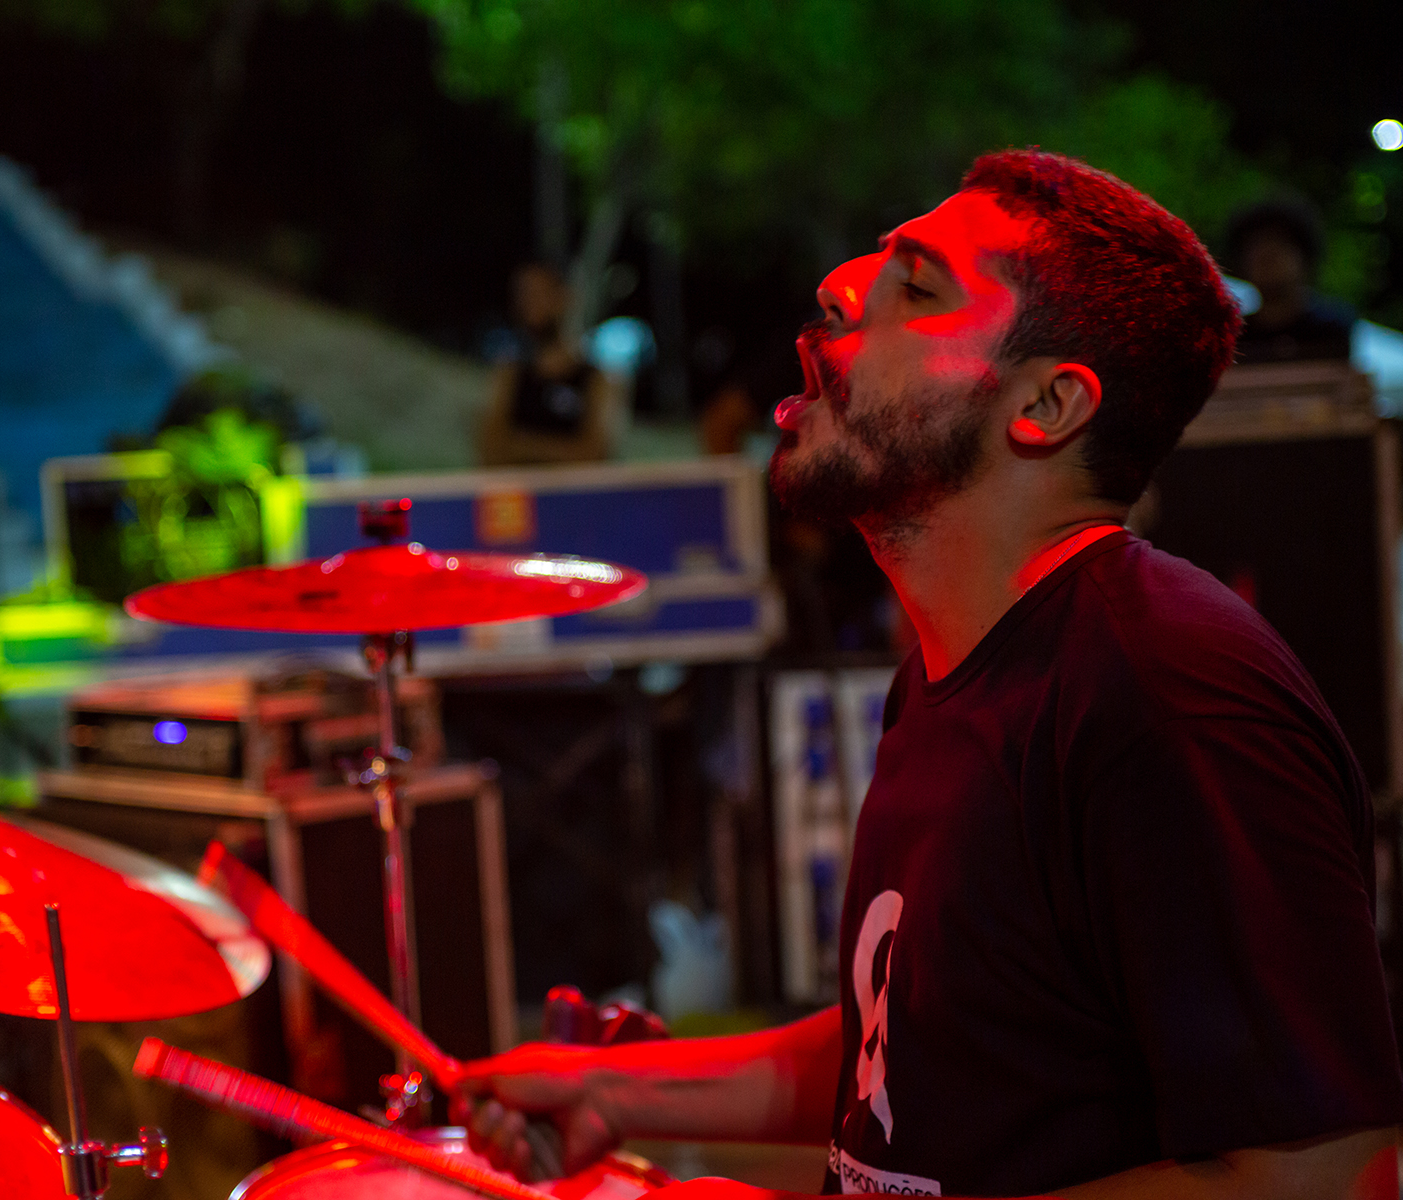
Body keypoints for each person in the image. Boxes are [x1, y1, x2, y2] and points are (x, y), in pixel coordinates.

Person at [457, 150, 1403, 1199]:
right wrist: (612, 1089)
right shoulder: (957, 669)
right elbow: (912, 1043)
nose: (839, 289)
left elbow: (1323, 1176)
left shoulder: (1171, 688)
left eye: (916, 288)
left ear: (1046, 402)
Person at [479, 263, 626, 465]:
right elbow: (491, 449)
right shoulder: (510, 373)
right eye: (523, 295)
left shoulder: (597, 379)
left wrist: (521, 444)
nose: (528, 305)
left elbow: (594, 454)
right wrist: (563, 451)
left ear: (565, 297)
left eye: (538, 294)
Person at [1224, 198, 1357, 364]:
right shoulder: (1235, 335)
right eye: (1255, 247)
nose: (1266, 257)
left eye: (1279, 245)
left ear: (1304, 256)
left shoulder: (1330, 328)